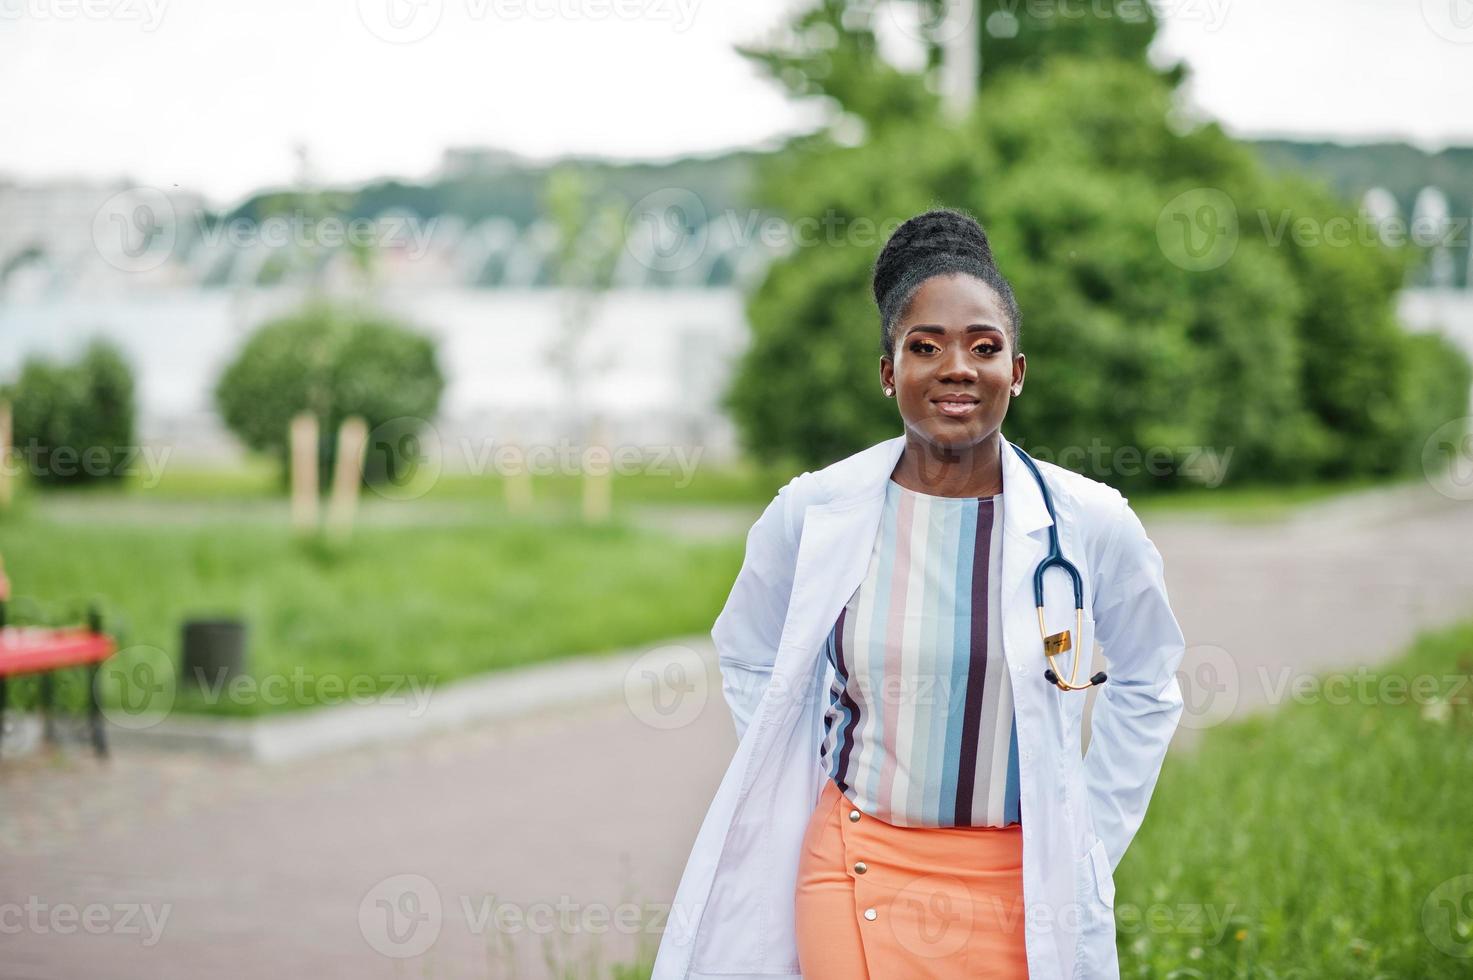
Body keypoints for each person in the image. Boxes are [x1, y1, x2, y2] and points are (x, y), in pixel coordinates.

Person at [651, 208, 1187, 980]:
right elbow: (746, 652)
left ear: (1018, 371)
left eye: (983, 347)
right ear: (887, 372)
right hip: (854, 862)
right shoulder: (813, 511)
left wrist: (1088, 830)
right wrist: (799, 766)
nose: (956, 367)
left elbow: (1147, 680)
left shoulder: (1089, 523)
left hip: (1021, 878)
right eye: (924, 347)